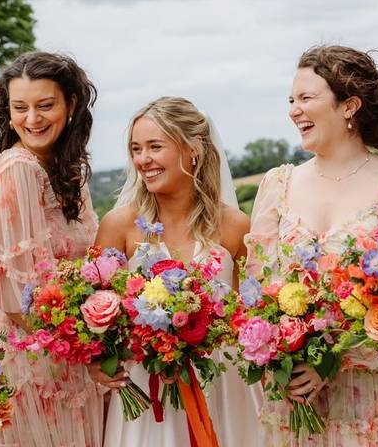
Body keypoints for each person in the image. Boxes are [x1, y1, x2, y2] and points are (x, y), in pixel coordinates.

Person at [247, 45, 378, 446]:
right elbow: (256, 289)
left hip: (369, 399)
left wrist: (331, 361)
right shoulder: (276, 185)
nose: (294, 110)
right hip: (294, 402)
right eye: (291, 100)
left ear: (349, 106)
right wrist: (284, 356)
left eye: (307, 98)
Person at [94, 96, 263, 446]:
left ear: (193, 150)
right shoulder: (119, 225)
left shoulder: (234, 225)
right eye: (136, 149)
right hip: (148, 386)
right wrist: (102, 359)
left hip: (223, 385)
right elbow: (95, 312)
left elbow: (249, 317)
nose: (143, 160)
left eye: (155, 146)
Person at [0, 51, 105, 447]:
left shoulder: (66, 169)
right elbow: (17, 303)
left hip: (74, 357)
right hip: (34, 366)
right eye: (21, 108)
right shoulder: (17, 171)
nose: (32, 119)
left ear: (70, 104)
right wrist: (91, 353)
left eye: (45, 105)